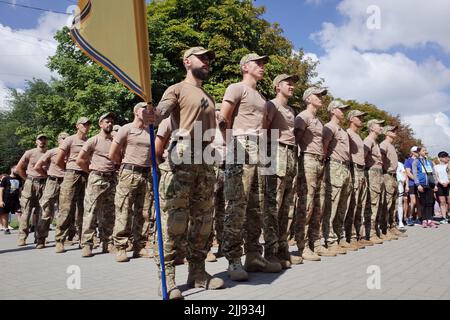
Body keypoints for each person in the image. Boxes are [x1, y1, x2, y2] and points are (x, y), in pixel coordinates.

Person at [154, 46, 224, 299]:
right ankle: (168, 278)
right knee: (175, 220)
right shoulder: (177, 89)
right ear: (187, 61)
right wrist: (155, 114)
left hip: (205, 157)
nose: (207, 61)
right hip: (182, 154)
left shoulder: (208, 95)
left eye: (209, 59)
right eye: (202, 57)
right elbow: (162, 111)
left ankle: (198, 273)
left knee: (204, 220)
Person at [220, 52, 281, 282]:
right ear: (245, 66)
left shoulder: (262, 97)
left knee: (256, 205)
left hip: (259, 149)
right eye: (259, 63)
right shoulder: (236, 88)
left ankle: (253, 255)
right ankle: (233, 259)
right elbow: (223, 119)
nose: (263, 66)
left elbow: (264, 128)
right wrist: (230, 146)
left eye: (264, 63)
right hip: (241, 145)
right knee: (237, 204)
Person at [265, 74, 303, 268]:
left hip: (289, 154)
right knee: (273, 205)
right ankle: (270, 252)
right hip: (275, 151)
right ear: (278, 86)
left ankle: (283, 249)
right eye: (288, 83)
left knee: (286, 207)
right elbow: (264, 130)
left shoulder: (290, 109)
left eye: (293, 84)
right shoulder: (271, 105)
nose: (292, 87)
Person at [109, 103, 154, 262]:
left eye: (149, 109)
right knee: (124, 209)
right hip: (129, 172)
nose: (147, 111)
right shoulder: (126, 129)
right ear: (135, 111)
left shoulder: (151, 131)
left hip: (146, 174)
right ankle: (120, 247)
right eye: (144, 109)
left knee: (144, 212)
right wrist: (123, 165)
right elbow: (112, 153)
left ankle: (139, 246)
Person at [293, 87, 329, 261]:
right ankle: (303, 245)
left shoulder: (318, 120)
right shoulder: (303, 117)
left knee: (318, 204)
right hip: (306, 159)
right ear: (308, 99)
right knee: (306, 204)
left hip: (318, 162)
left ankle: (316, 242)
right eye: (318, 95)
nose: (321, 98)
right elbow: (296, 140)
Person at [77, 112, 117, 257]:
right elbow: (80, 160)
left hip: (111, 179)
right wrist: (92, 172)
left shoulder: (115, 140)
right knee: (91, 212)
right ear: (100, 124)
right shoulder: (93, 140)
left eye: (111, 121)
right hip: (96, 178)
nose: (110, 124)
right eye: (107, 121)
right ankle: (87, 244)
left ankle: (108, 242)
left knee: (109, 212)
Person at [321, 100, 354, 254]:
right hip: (334, 166)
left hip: (345, 167)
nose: (343, 112)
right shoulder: (329, 127)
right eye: (341, 109)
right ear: (333, 110)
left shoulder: (342, 130)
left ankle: (339, 236)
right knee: (332, 204)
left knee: (343, 205)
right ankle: (330, 239)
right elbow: (324, 148)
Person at [54, 117, 91, 253]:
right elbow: (58, 160)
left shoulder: (88, 141)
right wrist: (69, 169)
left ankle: (83, 239)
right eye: (84, 124)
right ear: (77, 126)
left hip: (86, 175)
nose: (86, 126)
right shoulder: (70, 139)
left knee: (84, 208)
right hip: (71, 174)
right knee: (66, 207)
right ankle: (60, 240)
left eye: (88, 124)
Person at [34, 132, 69, 248]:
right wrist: (48, 175)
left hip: (67, 182)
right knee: (46, 210)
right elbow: (38, 166)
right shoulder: (52, 151)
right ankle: (41, 239)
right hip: (52, 182)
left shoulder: (71, 152)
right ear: (59, 140)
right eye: (63, 138)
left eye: (67, 138)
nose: (65, 140)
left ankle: (62, 239)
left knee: (65, 211)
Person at [344, 110, 372, 248]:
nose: (361, 119)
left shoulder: (358, 136)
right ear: (351, 118)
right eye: (359, 117)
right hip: (353, 169)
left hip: (361, 170)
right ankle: (348, 236)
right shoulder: (348, 133)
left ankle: (356, 235)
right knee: (351, 204)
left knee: (359, 204)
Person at [15, 134, 48, 246]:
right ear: (36, 141)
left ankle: (39, 238)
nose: (42, 141)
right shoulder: (30, 152)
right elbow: (18, 168)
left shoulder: (49, 153)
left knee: (42, 211)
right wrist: (27, 179)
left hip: (44, 183)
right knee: (26, 211)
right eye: (40, 139)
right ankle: (22, 237)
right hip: (30, 182)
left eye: (44, 139)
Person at [380, 125, 405, 239]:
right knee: (387, 203)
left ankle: (392, 226)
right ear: (386, 132)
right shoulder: (384, 144)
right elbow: (380, 159)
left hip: (394, 176)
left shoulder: (391, 145)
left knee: (393, 204)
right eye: (392, 130)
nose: (395, 132)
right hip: (387, 175)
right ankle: (384, 228)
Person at [363, 119, 385, 244]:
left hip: (377, 174)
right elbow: (363, 158)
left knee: (376, 203)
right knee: (371, 203)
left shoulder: (375, 142)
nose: (381, 127)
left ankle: (373, 230)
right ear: (372, 128)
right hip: (372, 174)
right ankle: (369, 233)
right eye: (378, 125)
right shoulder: (368, 140)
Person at [412, 147, 438, 228]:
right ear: (419, 152)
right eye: (423, 151)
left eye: (425, 150)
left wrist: (435, 184)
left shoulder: (429, 161)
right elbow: (415, 174)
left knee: (430, 202)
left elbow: (433, 173)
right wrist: (418, 184)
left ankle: (429, 220)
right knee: (423, 203)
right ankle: (424, 220)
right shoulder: (416, 162)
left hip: (430, 184)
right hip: (421, 184)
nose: (425, 152)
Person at [0, 166, 23, 235]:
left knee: (19, 212)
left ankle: (22, 228)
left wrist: (21, 198)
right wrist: (1, 200)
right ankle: (6, 228)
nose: (17, 170)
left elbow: (20, 190)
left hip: (16, 199)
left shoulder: (19, 179)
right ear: (12, 169)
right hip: (6, 199)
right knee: (5, 213)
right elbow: (1, 189)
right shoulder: (5, 178)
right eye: (16, 168)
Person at [405, 146, 421, 226]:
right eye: (416, 151)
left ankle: (419, 218)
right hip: (412, 184)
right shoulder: (408, 161)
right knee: (413, 201)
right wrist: (416, 180)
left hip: (421, 184)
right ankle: (410, 217)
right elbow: (408, 173)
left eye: (418, 151)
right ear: (412, 152)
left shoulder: (420, 160)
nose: (418, 153)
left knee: (419, 202)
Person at [434, 151, 449, 222]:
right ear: (440, 158)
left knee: (449, 201)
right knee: (442, 201)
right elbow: (436, 177)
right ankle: (444, 217)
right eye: (444, 157)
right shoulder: (436, 167)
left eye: (447, 156)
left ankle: (448, 214)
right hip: (440, 185)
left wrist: (447, 182)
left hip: (448, 184)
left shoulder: (448, 166)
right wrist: (440, 183)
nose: (446, 158)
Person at [396, 157, 408, 230]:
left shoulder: (400, 164)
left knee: (400, 203)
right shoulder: (385, 162)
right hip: (389, 184)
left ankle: (400, 221)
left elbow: (404, 174)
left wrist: (406, 185)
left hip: (399, 184)